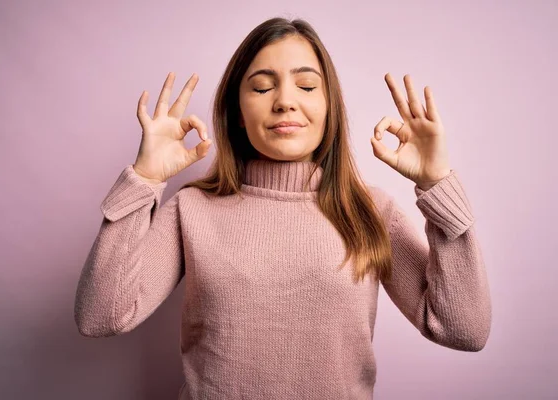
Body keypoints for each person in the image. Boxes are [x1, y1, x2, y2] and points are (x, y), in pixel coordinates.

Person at [74, 16, 491, 400]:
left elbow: (464, 329)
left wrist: (437, 185)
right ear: (238, 112)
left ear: (329, 109)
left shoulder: (371, 212)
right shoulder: (192, 209)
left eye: (307, 87)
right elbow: (101, 316)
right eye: (261, 87)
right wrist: (144, 179)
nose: (285, 101)